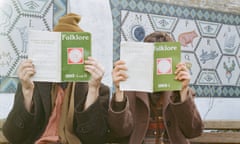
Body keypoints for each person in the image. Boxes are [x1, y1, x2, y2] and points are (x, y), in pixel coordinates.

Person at [3, 13, 110, 144]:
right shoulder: (32, 84)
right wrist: (26, 92)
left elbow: (95, 139)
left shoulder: (99, 89)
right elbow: (13, 135)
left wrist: (93, 90)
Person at [108, 32, 204, 144]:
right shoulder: (130, 89)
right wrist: (119, 91)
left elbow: (193, 131)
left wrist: (183, 92)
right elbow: (120, 131)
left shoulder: (179, 91)